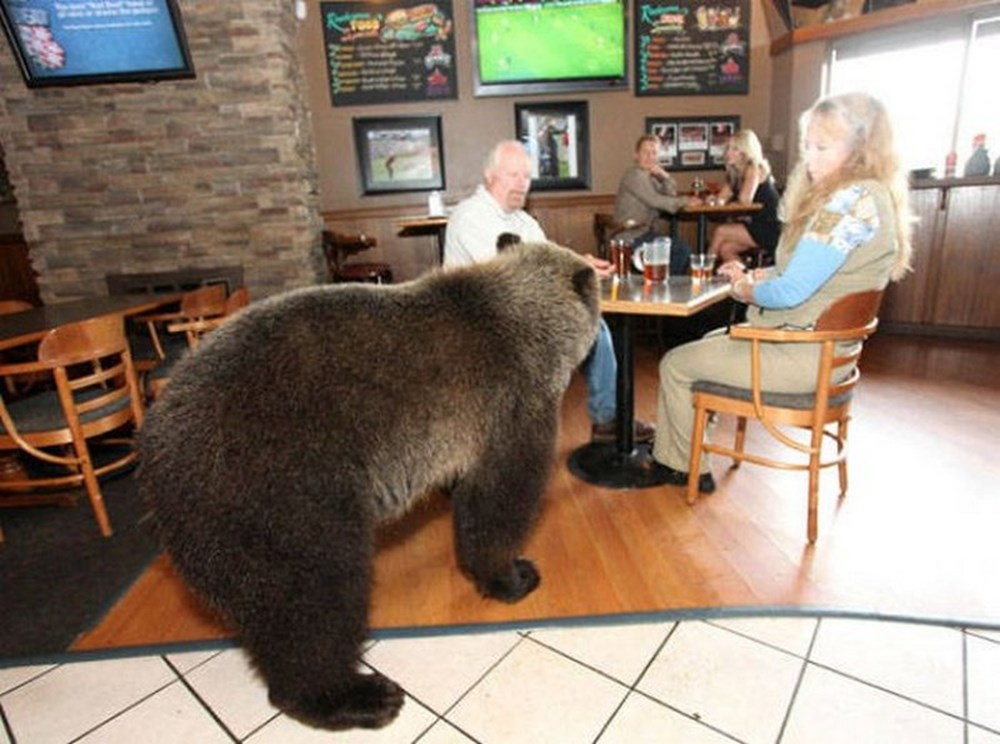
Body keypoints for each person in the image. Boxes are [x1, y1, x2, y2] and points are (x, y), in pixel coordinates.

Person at [652, 92, 913, 493]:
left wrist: (742, 288)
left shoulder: (847, 203)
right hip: (831, 358)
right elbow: (806, 270)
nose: (810, 158)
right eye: (807, 145)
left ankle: (684, 467)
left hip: (800, 354)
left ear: (860, 148)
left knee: (675, 364)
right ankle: (686, 451)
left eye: (822, 147)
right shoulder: (872, 196)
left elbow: (790, 290)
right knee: (706, 342)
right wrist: (757, 274)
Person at [444, 140, 654, 443]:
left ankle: (606, 419)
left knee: (595, 323)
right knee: (587, 327)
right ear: (490, 176)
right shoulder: (470, 216)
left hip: (515, 312)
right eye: (512, 174)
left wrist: (579, 263)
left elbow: (548, 258)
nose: (521, 184)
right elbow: (504, 273)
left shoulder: (523, 221)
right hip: (474, 324)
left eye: (526, 177)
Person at [613, 134, 695, 276]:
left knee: (679, 248)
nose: (650, 157)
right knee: (681, 250)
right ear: (636, 155)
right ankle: (664, 287)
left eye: (654, 153)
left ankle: (663, 285)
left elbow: (670, 196)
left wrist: (665, 177)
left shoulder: (651, 178)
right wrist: (687, 201)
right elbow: (657, 201)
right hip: (630, 236)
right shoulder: (635, 176)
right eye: (645, 152)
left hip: (645, 234)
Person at [705, 129, 781, 265]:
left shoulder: (754, 168)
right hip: (753, 223)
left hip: (769, 226)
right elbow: (721, 199)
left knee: (721, 231)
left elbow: (745, 201)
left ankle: (704, 272)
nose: (728, 153)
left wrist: (725, 203)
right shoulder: (734, 173)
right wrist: (712, 200)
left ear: (746, 152)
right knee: (725, 249)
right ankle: (743, 281)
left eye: (735, 149)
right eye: (728, 148)